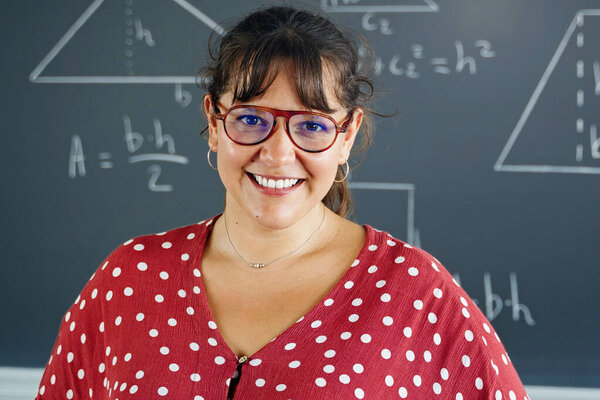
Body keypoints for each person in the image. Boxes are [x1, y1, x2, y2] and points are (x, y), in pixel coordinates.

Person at [35, 5, 529, 400]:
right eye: (250, 118)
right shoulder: (128, 279)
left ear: (347, 134)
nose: (276, 153)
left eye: (311, 125)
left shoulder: (417, 296)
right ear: (214, 121)